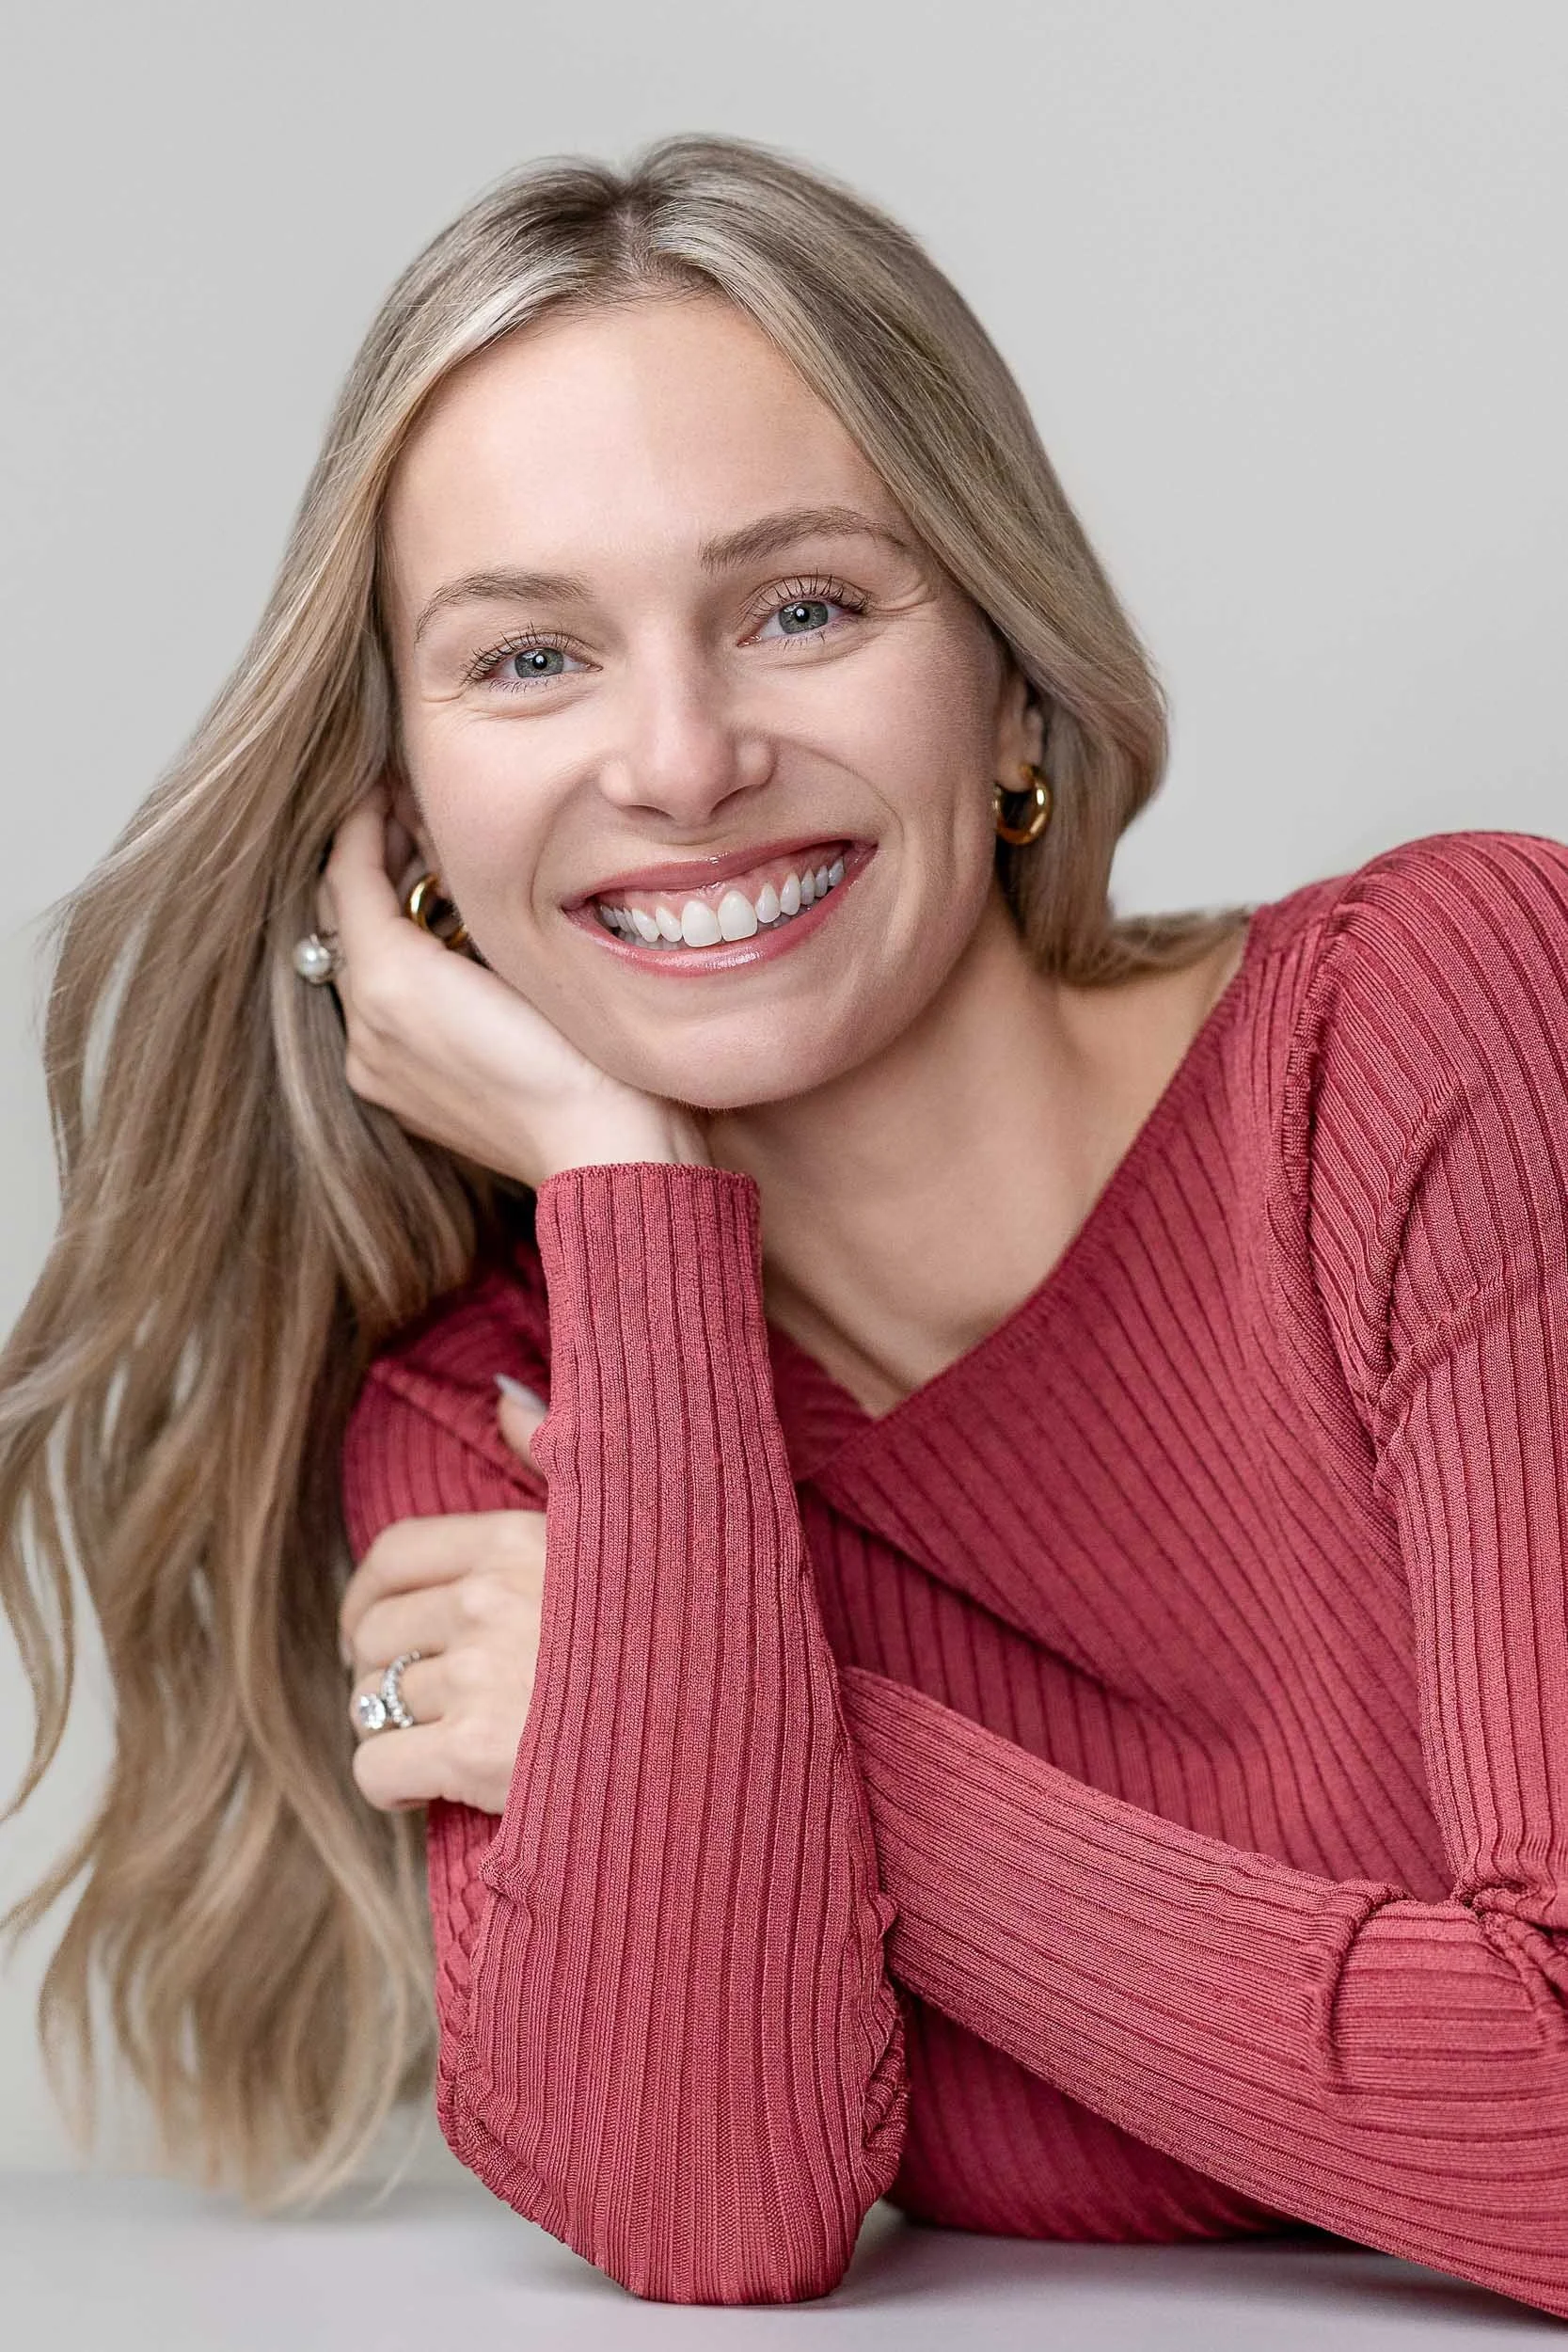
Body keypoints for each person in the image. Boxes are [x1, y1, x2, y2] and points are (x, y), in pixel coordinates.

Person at [3, 133, 1567, 2317]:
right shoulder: (492, 1427)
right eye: (527, 659)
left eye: (802, 608)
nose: (679, 759)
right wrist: (624, 1188)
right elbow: (711, 2206)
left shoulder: (1437, 1029)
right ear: (409, 830)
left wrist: (704, 1704)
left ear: (1008, 685)